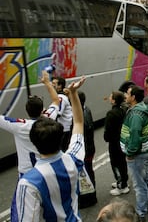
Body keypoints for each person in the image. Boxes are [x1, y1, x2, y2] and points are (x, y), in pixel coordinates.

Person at [16, 76, 86, 221]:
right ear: (61, 139)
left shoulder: (28, 182)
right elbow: (78, 122)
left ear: (34, 143)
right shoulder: (73, 159)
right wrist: (73, 93)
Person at [0, 70, 59, 222]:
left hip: (27, 175)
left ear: (27, 110)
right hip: (46, 170)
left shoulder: (18, 126)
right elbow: (56, 100)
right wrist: (47, 82)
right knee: (50, 206)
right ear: (42, 109)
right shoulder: (48, 119)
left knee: (22, 209)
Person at [121, 85, 148, 222]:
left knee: (139, 185)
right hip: (145, 150)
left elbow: (134, 135)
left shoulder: (135, 114)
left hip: (138, 154)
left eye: (127, 93)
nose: (125, 95)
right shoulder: (141, 108)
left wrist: (130, 152)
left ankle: (141, 213)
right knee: (146, 178)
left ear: (133, 97)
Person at [104, 91, 129, 196]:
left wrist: (106, 138)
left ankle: (121, 185)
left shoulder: (111, 113)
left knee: (116, 163)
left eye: (111, 97)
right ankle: (124, 181)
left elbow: (108, 130)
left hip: (114, 143)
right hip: (122, 140)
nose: (109, 98)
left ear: (114, 100)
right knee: (122, 162)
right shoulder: (123, 110)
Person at [78, 90, 97, 208]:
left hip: (85, 150)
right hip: (89, 148)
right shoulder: (87, 109)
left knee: (85, 174)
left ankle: (88, 199)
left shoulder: (80, 115)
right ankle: (92, 196)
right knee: (89, 172)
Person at [52, 76, 73, 151]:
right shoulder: (62, 96)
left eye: (54, 83)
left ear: (60, 86)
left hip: (65, 129)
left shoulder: (60, 98)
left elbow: (58, 113)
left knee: (63, 150)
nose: (52, 85)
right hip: (65, 128)